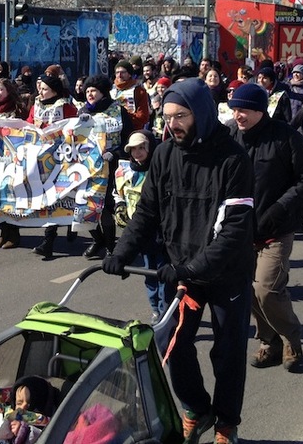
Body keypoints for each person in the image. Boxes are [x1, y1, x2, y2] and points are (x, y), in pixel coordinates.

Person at [103, 78, 255, 444]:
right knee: (173, 344)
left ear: (200, 112)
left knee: (228, 352)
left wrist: (191, 268)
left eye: (181, 116)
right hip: (181, 268)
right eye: (168, 117)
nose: (173, 125)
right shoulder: (164, 154)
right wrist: (122, 252)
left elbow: (233, 232)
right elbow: (147, 212)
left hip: (226, 272)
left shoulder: (233, 160)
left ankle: (226, 424)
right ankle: (197, 408)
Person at [226, 83, 303, 373]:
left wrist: (279, 208)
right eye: (235, 109)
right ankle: (269, 342)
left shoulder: (286, 137)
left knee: (266, 289)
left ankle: (291, 339)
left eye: (244, 110)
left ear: (260, 110)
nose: (238, 115)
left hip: (276, 228)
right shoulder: (229, 135)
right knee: (247, 291)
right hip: (240, 230)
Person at [113, 130, 167, 323]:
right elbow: (118, 192)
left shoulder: (161, 167)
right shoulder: (125, 171)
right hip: (139, 233)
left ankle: (165, 310)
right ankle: (155, 309)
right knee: (148, 273)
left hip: (161, 233)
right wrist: (119, 205)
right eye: (133, 149)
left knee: (163, 275)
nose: (137, 153)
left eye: (141, 148)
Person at [80, 75, 132, 260]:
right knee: (85, 206)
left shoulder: (118, 110)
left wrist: (116, 153)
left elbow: (128, 137)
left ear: (103, 91)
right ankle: (98, 239)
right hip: (87, 167)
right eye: (87, 91)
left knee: (105, 206)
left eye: (93, 90)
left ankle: (111, 246)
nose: (90, 94)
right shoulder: (83, 112)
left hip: (111, 165)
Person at [27, 74, 78, 259]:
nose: (40, 91)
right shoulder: (37, 105)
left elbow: (76, 129)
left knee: (66, 196)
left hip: (63, 158)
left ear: (55, 90)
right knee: (50, 197)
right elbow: (28, 124)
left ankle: (77, 228)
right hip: (43, 159)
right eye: (40, 88)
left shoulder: (66, 107)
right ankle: (48, 241)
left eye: (45, 89)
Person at [0, 79, 29, 250]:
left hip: (12, 158)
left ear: (8, 91)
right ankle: (3, 230)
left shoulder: (17, 110)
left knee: (11, 194)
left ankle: (14, 233)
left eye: (1, 90)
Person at [111, 59, 150, 132]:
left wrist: (124, 115)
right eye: (117, 72)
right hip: (113, 131)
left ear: (129, 74)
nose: (119, 75)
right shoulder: (110, 89)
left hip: (132, 130)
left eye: (123, 72)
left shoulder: (139, 91)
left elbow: (143, 117)